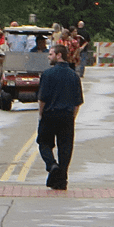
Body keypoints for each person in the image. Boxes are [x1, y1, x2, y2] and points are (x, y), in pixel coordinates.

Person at [37, 43, 84, 190]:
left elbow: (42, 99)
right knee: (65, 148)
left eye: (51, 54)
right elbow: (78, 102)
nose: (48, 57)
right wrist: (72, 117)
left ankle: (52, 165)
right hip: (67, 116)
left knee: (44, 142)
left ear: (59, 55)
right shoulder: (74, 76)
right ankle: (62, 179)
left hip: (50, 114)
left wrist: (41, 114)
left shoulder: (47, 74)